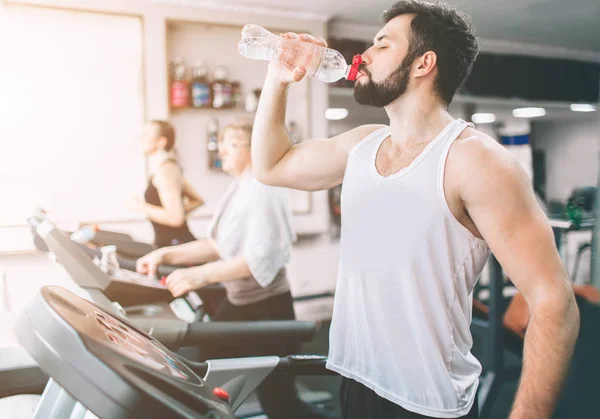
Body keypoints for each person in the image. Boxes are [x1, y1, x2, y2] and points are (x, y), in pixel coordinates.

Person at [250, 1, 580, 418]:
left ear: (423, 63)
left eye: (382, 45)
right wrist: (277, 80)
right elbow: (271, 165)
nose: (362, 56)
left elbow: (554, 302)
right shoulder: (362, 144)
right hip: (356, 381)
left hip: (426, 403)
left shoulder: (476, 162)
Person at [136, 121, 330, 419]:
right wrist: (165, 254)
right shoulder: (242, 186)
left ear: (254, 149)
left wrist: (199, 274)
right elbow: (218, 245)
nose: (221, 148)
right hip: (242, 304)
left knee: (280, 403)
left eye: (232, 143)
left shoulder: (263, 189)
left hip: (265, 309)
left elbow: (259, 261)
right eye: (222, 142)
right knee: (203, 379)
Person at [131, 120, 204, 248]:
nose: (140, 138)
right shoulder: (169, 167)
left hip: (176, 247)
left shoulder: (165, 171)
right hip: (172, 245)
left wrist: (142, 206)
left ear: (161, 141)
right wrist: (177, 210)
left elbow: (176, 218)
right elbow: (198, 200)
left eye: (146, 134)